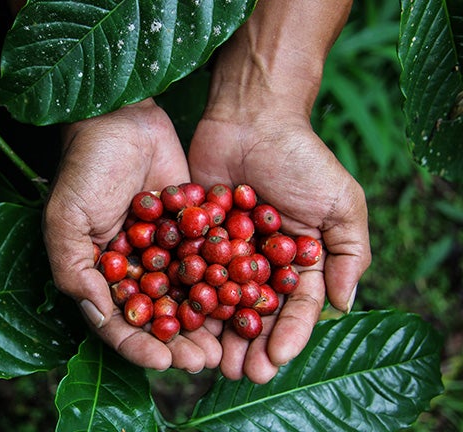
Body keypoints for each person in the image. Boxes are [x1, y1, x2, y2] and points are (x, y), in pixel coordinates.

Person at [42, 0, 372, 384]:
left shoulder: (221, 256)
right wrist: (100, 109)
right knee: (46, 146)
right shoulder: (203, 251)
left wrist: (270, 102)